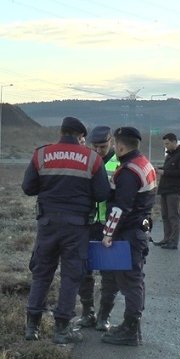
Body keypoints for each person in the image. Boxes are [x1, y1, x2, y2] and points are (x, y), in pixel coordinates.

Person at [21, 117, 111, 344]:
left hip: (48, 224)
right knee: (71, 276)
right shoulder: (92, 159)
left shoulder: (41, 154)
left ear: (61, 132)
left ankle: (32, 327)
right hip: (77, 227)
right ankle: (62, 330)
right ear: (81, 137)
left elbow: (28, 188)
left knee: (42, 273)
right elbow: (102, 194)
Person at [97, 127, 157, 346]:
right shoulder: (144, 163)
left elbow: (120, 208)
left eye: (114, 145)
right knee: (135, 280)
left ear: (120, 146)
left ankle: (131, 330)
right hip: (139, 230)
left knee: (130, 282)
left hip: (129, 234)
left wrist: (107, 234)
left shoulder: (128, 171)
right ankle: (131, 326)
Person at [76, 125, 121, 329]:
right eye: (95, 147)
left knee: (109, 273)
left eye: (102, 146)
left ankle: (104, 316)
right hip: (88, 223)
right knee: (84, 270)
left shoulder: (119, 163)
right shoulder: (86, 159)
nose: (99, 150)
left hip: (109, 226)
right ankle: (88, 313)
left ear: (111, 142)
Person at [155, 133, 180, 249]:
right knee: (165, 215)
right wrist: (160, 170)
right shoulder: (169, 155)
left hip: (175, 190)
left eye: (167, 144)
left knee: (173, 216)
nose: (166, 146)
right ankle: (166, 238)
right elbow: (168, 169)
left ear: (174, 142)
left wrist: (164, 172)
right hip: (165, 189)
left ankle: (173, 242)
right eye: (165, 144)